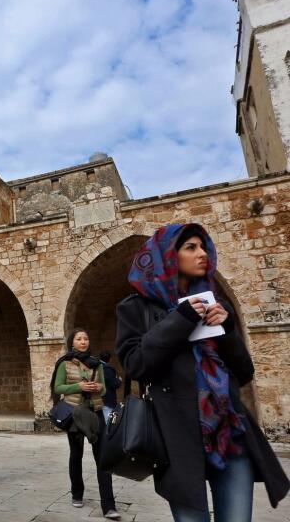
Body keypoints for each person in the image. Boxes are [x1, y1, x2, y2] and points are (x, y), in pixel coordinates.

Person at [116, 223, 289, 521]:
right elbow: (136, 365)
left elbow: (244, 373)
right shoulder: (136, 308)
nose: (202, 254)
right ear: (168, 256)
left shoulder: (215, 304)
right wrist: (180, 319)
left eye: (203, 247)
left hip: (228, 433)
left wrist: (226, 330)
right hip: (178, 439)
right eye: (191, 248)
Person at [51, 328, 120, 520]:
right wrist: (78, 386)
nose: (83, 341)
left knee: (103, 458)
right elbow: (58, 388)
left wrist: (99, 387)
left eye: (86, 338)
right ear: (72, 343)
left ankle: (109, 505)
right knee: (76, 454)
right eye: (79, 339)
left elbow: (105, 388)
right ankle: (77, 493)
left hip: (95, 413)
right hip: (75, 415)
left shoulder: (96, 364)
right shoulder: (65, 364)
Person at [97, 351, 121, 424]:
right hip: (107, 398)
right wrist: (119, 380)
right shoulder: (107, 369)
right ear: (110, 359)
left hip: (98, 397)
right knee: (108, 420)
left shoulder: (96, 366)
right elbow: (114, 384)